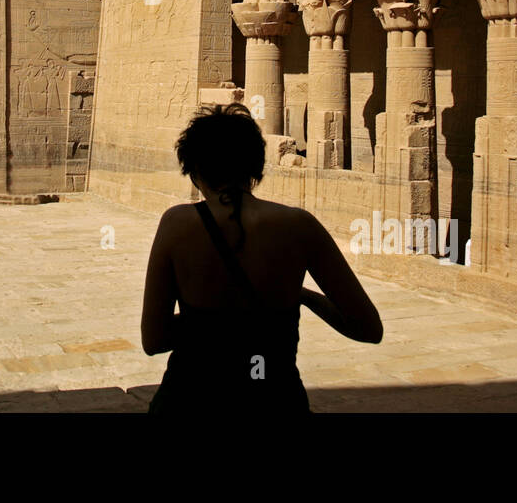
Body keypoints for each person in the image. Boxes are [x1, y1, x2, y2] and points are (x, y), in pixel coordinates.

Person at [142, 103, 382, 413]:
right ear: (255, 166)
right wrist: (303, 298)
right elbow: (367, 328)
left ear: (194, 170)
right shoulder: (299, 225)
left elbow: (154, 339)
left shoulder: (177, 223)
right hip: (274, 397)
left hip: (191, 396)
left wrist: (211, 323)